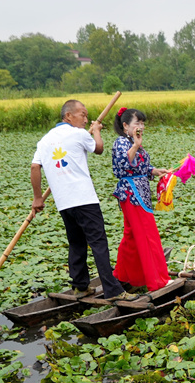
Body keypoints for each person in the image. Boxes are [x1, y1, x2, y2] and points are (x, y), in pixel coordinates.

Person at [30, 99, 134, 301]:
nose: (86, 120)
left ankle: (80, 286)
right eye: (83, 115)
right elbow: (99, 148)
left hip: (64, 202)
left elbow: (35, 167)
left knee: (76, 242)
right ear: (68, 116)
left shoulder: (44, 140)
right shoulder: (77, 133)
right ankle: (113, 291)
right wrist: (96, 130)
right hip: (84, 199)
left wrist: (37, 198)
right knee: (98, 243)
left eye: (87, 117)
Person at [111, 107, 172, 292]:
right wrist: (136, 145)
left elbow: (143, 168)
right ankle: (158, 280)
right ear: (125, 125)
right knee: (147, 235)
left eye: (143, 123)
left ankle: (120, 275)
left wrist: (156, 171)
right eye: (137, 123)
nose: (141, 126)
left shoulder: (133, 141)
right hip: (131, 194)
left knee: (131, 236)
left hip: (141, 192)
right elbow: (122, 165)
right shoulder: (121, 143)